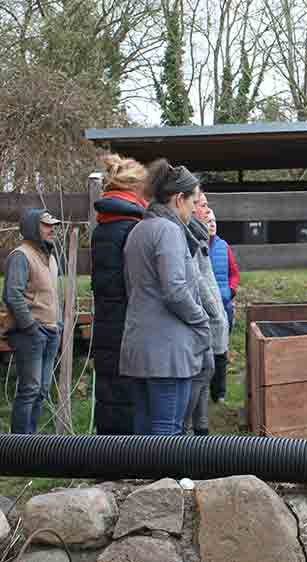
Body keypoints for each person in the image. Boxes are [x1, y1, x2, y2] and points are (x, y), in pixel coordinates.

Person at [120, 160, 211, 435]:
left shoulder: (138, 230)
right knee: (167, 434)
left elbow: (132, 288)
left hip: (139, 348)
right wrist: (201, 319)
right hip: (168, 354)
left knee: (143, 432)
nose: (195, 209)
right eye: (193, 201)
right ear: (178, 198)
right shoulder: (169, 231)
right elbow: (175, 290)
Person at [90, 154, 150, 435]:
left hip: (106, 321)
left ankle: (108, 451)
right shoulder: (132, 228)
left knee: (110, 394)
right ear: (135, 189)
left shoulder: (104, 225)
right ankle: (125, 456)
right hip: (128, 323)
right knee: (127, 397)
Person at [2, 209, 63, 434]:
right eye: (46, 225)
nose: (52, 229)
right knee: (29, 390)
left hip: (50, 331)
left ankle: (32, 442)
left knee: (42, 391)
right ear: (32, 228)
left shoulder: (50, 256)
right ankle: (19, 445)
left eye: (53, 225)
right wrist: (30, 327)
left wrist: (58, 324)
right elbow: (12, 295)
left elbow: (52, 295)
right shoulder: (20, 256)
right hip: (30, 334)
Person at [183, 193, 228, 435]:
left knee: (206, 371)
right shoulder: (189, 237)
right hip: (199, 319)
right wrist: (213, 311)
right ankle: (186, 428)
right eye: (203, 205)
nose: (207, 210)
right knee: (201, 372)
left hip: (208, 317)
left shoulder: (200, 236)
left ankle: (201, 429)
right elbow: (196, 279)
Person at [205, 208, 239, 403]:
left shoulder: (223, 246)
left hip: (224, 306)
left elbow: (234, 273)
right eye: (208, 221)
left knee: (222, 350)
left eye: (214, 221)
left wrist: (230, 291)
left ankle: (219, 393)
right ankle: (203, 392)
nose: (212, 224)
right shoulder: (196, 246)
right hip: (205, 308)